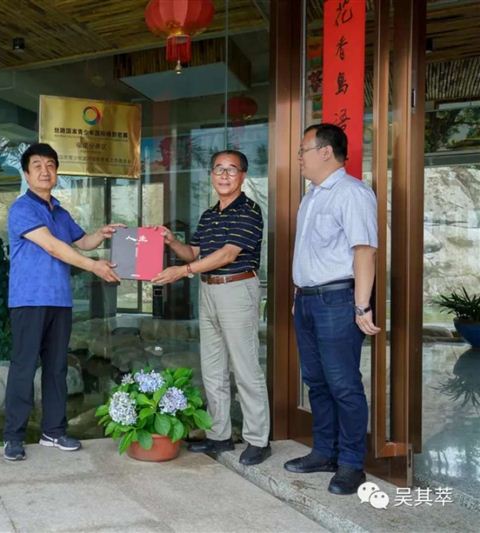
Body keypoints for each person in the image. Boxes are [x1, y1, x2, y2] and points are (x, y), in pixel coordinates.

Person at [3, 142, 122, 461]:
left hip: (60, 301)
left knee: (56, 368)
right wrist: (94, 266)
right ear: (27, 174)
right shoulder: (22, 209)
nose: (45, 171)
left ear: (56, 172)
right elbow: (54, 247)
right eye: (37, 165)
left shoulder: (60, 211)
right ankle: (13, 437)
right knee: (24, 367)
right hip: (29, 300)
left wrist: (102, 233)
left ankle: (53, 432)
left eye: (50, 165)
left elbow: (81, 241)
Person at [152, 150, 270, 466]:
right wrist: (171, 241)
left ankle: (258, 439)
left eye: (231, 169)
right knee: (213, 367)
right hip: (208, 290)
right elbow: (194, 253)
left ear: (243, 176)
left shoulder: (249, 211)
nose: (224, 175)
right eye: (219, 169)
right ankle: (219, 435)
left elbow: (228, 254)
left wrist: (182, 272)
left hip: (237, 288)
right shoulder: (209, 215)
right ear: (211, 175)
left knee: (245, 367)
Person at [284, 123, 380, 495]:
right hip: (307, 300)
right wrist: (299, 294)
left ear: (325, 152)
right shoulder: (310, 196)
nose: (298, 157)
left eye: (303, 150)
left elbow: (364, 251)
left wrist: (362, 306)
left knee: (343, 384)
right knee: (317, 382)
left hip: (337, 301)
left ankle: (352, 464)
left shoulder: (352, 193)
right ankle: (324, 452)